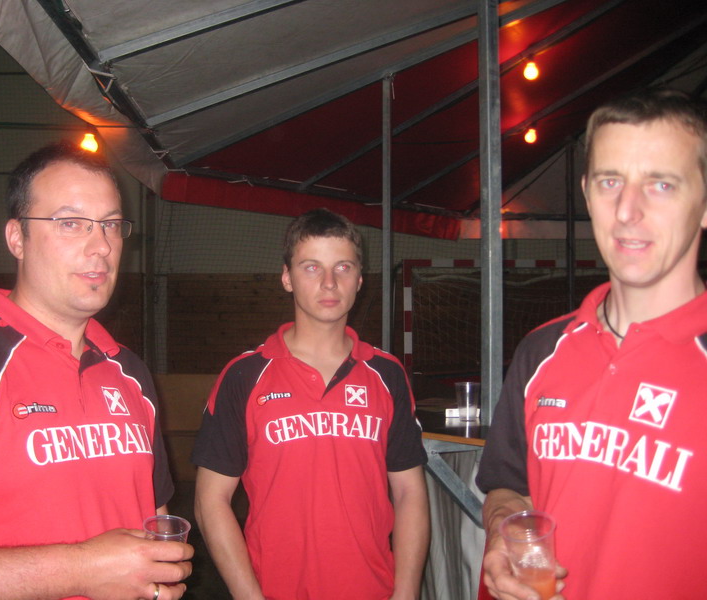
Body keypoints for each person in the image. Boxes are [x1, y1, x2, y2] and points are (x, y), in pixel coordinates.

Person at [0, 141, 193, 600]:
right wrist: (80, 570)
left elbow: (153, 520)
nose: (101, 246)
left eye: (111, 224)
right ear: (17, 238)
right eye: (71, 223)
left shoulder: (129, 371)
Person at [476, 87, 707, 599]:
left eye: (661, 184)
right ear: (586, 192)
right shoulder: (541, 351)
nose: (627, 210)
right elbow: (508, 489)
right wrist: (502, 536)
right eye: (610, 181)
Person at [192, 208, 430, 599]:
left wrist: (406, 594)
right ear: (287, 277)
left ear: (359, 280)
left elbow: (409, 493)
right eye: (311, 267)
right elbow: (210, 500)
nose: (329, 282)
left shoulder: (387, 375)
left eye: (343, 267)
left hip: (372, 590)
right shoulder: (244, 376)